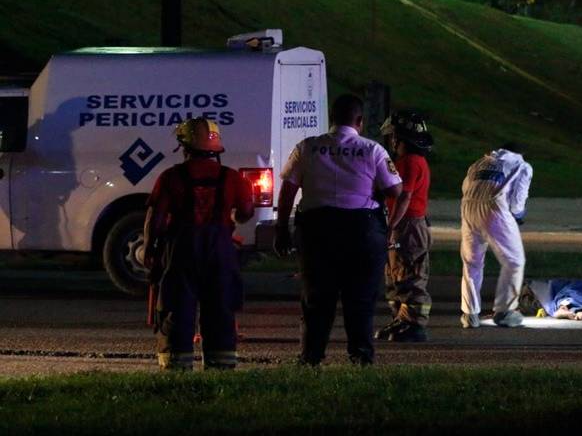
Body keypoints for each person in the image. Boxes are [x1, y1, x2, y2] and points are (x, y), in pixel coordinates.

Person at [276, 94, 403, 365]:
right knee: (360, 300)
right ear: (359, 121)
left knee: (316, 300)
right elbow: (394, 189)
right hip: (361, 231)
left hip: (317, 231)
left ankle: (310, 358)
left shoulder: (307, 147)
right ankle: (360, 358)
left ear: (332, 119)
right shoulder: (372, 150)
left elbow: (287, 191)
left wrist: (281, 229)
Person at [143, 118, 254, 370]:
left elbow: (156, 218)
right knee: (221, 309)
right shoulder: (232, 177)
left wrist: (150, 248)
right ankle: (220, 368)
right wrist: (233, 217)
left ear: (184, 146)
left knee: (177, 309)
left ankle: (176, 369)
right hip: (220, 252)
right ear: (217, 149)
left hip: (181, 251)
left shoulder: (170, 177)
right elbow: (246, 211)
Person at [374, 111, 434, 343]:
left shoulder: (411, 162)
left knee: (409, 275)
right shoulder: (408, 162)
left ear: (400, 139)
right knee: (396, 275)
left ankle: (414, 324)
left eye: (393, 137)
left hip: (407, 225)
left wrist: (391, 226)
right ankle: (402, 318)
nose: (391, 142)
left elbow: (404, 197)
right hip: (404, 225)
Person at [460, 143, 533, 328]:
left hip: (467, 208)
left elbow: (466, 188)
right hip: (493, 209)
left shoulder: (478, 164)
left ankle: (469, 314)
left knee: (472, 263)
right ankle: (505, 311)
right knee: (515, 261)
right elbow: (517, 202)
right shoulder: (522, 166)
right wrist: (518, 216)